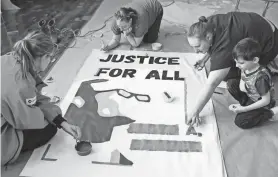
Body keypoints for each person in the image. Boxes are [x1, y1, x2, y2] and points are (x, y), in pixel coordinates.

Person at [1, 31, 82, 166]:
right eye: (51, 58)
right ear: (44, 56)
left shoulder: (10, 59)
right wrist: (56, 122)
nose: (51, 61)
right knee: (49, 129)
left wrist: (61, 121)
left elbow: (35, 96)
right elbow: (28, 120)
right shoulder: (21, 84)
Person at [186, 12, 278, 126]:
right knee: (230, 81)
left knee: (226, 76)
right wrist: (205, 59)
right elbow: (214, 44)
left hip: (271, 40)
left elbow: (212, 84)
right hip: (259, 24)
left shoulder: (225, 45)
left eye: (197, 46)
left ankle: (270, 110)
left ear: (208, 37)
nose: (195, 51)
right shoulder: (205, 24)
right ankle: (249, 104)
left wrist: (195, 111)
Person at [228, 38, 278, 129]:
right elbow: (244, 76)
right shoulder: (246, 67)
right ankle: (245, 104)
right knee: (231, 84)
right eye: (235, 62)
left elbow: (265, 100)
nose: (236, 65)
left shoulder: (261, 78)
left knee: (240, 122)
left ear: (255, 60)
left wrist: (244, 109)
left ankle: (270, 112)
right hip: (251, 94)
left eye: (240, 63)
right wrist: (241, 84)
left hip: (263, 103)